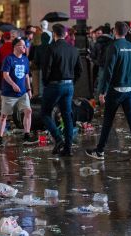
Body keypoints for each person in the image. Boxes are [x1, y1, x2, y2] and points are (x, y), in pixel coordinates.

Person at [86, 22, 131, 162]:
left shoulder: (113, 47)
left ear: (115, 31)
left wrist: (102, 92)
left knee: (108, 120)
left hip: (116, 89)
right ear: (126, 31)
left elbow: (108, 71)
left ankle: (99, 151)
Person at [41, 24, 82, 156]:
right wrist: (72, 82)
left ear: (54, 34)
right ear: (65, 34)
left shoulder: (51, 48)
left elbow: (46, 69)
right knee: (67, 116)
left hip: (54, 85)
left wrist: (46, 83)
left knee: (45, 113)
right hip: (69, 85)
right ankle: (68, 148)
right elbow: (79, 70)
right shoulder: (74, 50)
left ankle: (58, 139)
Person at [0, 38, 37, 145]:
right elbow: (5, 74)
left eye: (25, 45)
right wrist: (13, 84)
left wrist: (29, 89)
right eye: (22, 45)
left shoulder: (25, 59)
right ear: (15, 47)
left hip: (22, 92)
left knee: (28, 111)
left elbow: (26, 75)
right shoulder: (8, 59)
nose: (25, 47)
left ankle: (27, 134)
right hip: (9, 93)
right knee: (4, 115)